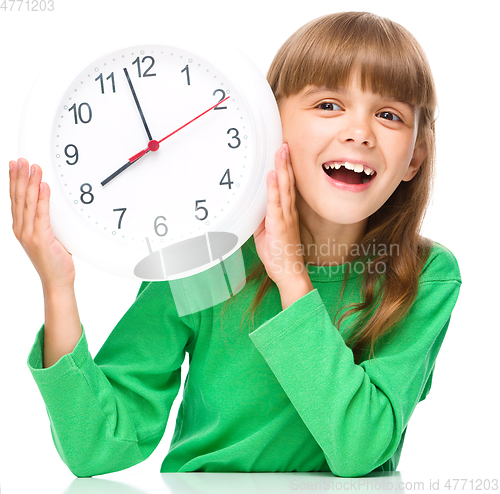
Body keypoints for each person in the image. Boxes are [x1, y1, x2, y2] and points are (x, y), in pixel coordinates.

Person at [9, 11, 461, 478]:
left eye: (389, 115)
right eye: (328, 105)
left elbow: (359, 449)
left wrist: (290, 276)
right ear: (270, 123)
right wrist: (56, 286)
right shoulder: (209, 260)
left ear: (415, 156)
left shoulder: (423, 276)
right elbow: (97, 448)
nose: (359, 133)